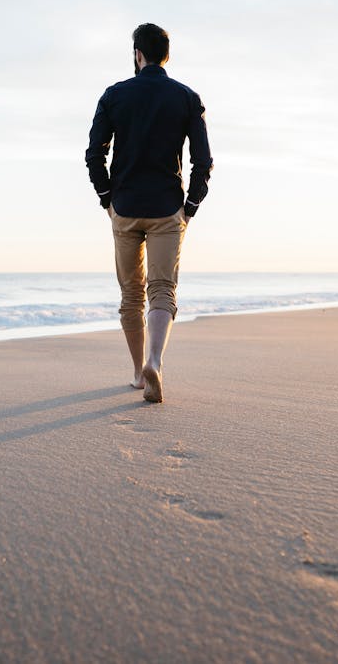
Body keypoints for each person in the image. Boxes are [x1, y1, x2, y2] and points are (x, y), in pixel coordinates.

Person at [85, 23, 213, 403]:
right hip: (166, 209)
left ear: (137, 54)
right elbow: (202, 161)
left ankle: (139, 373)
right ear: (165, 55)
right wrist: (190, 205)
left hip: (124, 208)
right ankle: (154, 361)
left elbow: (95, 154)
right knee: (162, 290)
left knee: (131, 295)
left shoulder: (114, 95)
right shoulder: (187, 98)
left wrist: (107, 198)